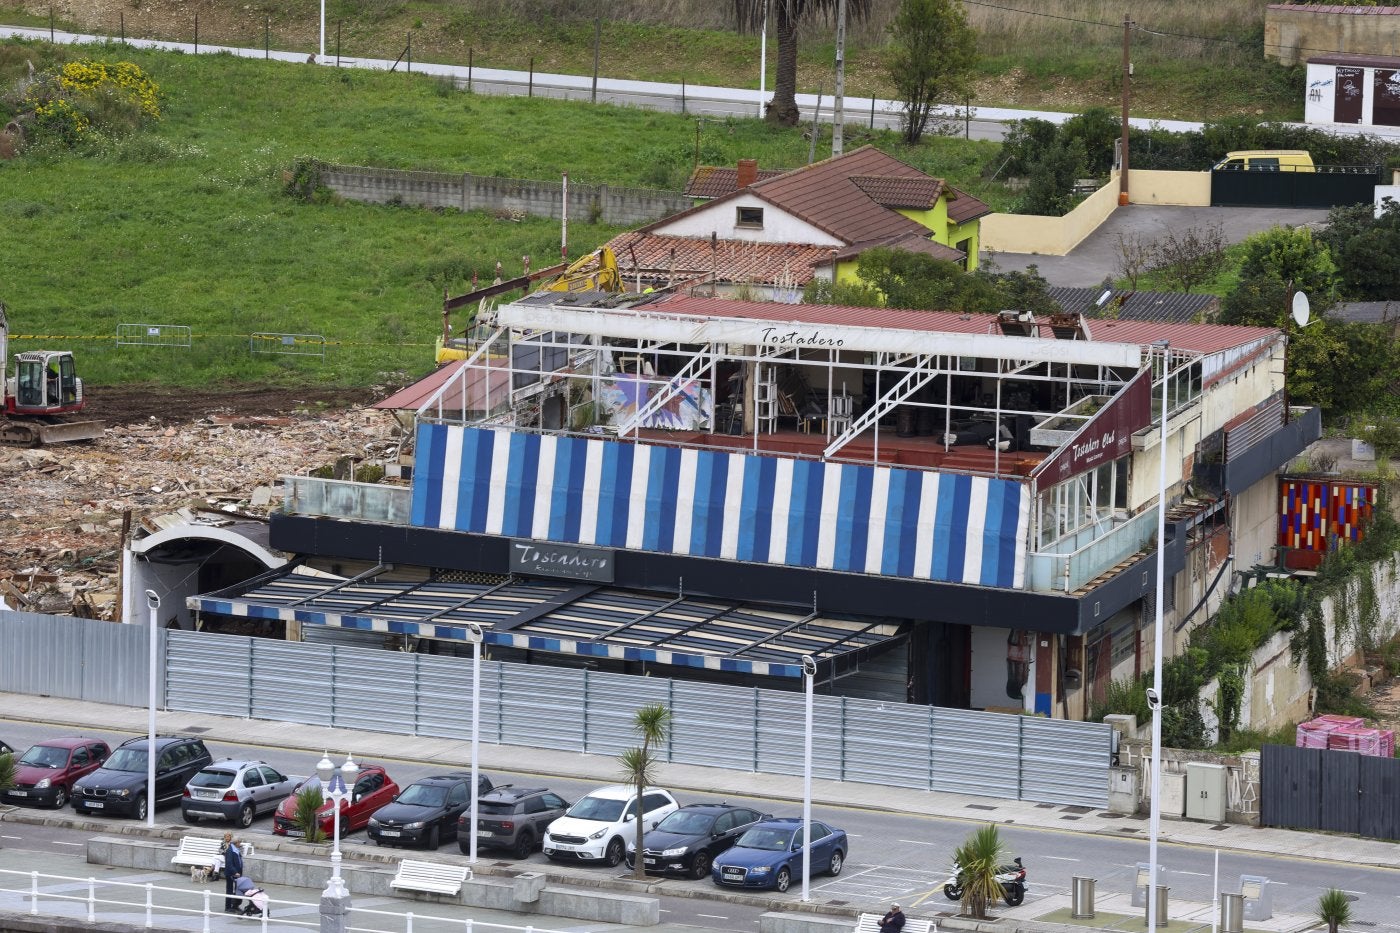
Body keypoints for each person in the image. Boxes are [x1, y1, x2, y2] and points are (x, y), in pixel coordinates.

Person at [222, 834, 244, 913]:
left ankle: (235, 906)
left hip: (237, 873)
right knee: (230, 890)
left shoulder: (235, 849)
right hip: (231, 874)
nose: (240, 844)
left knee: (238, 890)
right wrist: (235, 872)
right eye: (240, 842)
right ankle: (228, 907)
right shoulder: (230, 850)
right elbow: (229, 863)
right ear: (236, 842)